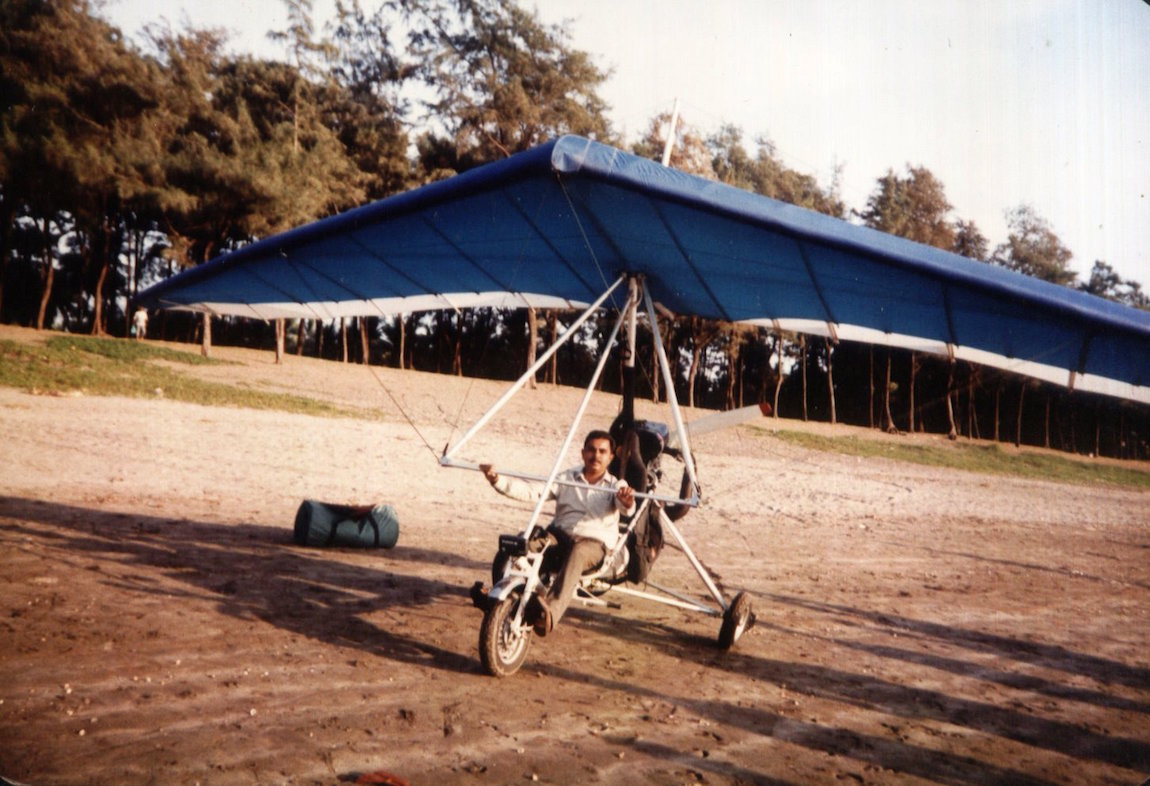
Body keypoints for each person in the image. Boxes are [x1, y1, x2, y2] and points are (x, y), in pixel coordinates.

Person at [480, 429, 635, 636]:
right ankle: (499, 599)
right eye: (591, 450)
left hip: (593, 546)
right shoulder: (566, 478)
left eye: (602, 451)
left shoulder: (616, 485)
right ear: (583, 453)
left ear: (610, 457)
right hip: (560, 538)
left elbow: (625, 506)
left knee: (579, 552)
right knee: (517, 543)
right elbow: (532, 492)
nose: (596, 456)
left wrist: (627, 501)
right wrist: (496, 480)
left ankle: (549, 614)